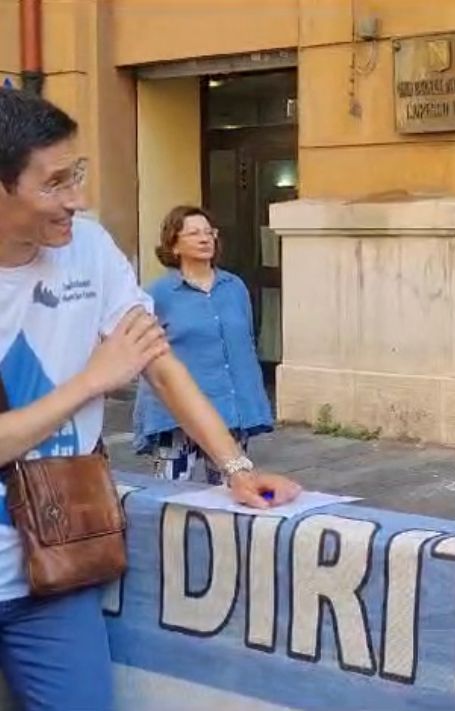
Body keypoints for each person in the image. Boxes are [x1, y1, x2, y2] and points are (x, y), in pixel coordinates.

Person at [0, 89, 299, 710]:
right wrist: (91, 381)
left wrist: (235, 467)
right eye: (54, 183)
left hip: (54, 570)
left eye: (76, 175)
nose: (76, 200)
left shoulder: (89, 249)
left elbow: (158, 363)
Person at [132, 206, 274, 484]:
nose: (204, 239)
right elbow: (146, 356)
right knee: (171, 494)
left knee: (231, 492)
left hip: (229, 410)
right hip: (175, 415)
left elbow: (246, 343)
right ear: (174, 244)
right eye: (194, 233)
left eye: (209, 232)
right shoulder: (156, 295)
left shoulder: (234, 287)